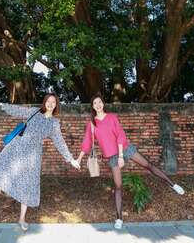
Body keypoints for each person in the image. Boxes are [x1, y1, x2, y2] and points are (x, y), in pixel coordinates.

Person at [0, 94, 80, 231]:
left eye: (53, 102)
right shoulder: (34, 111)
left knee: (27, 184)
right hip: (16, 147)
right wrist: (2, 105)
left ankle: (22, 219)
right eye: (48, 101)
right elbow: (18, 111)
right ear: (44, 103)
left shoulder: (54, 123)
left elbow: (60, 142)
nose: (50, 103)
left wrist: (70, 159)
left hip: (33, 156)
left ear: (56, 104)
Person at [76, 94, 184, 229]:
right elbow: (87, 143)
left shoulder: (112, 117)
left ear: (103, 103)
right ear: (92, 107)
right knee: (118, 186)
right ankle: (119, 218)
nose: (98, 105)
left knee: (148, 165)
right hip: (112, 156)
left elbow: (120, 135)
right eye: (95, 103)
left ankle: (172, 184)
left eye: (100, 102)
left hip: (125, 149)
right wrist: (79, 159)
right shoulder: (92, 124)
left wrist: (121, 155)